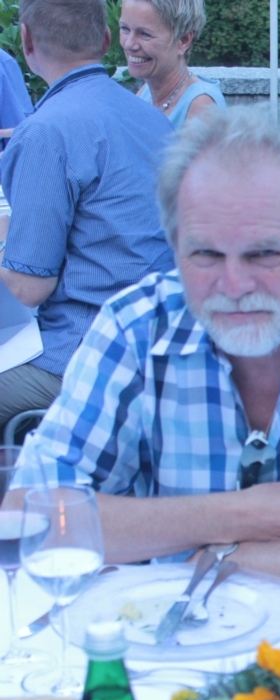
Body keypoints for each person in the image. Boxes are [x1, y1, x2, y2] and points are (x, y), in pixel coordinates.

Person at [8, 106, 280, 604]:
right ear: (175, 248)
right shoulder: (135, 327)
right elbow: (30, 518)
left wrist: (208, 557)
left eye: (265, 254)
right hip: (178, 632)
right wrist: (238, 514)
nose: (235, 286)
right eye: (206, 255)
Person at [0, 0, 174, 435]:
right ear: (106, 38)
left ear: (26, 40)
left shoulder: (45, 131)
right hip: (162, 345)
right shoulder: (153, 120)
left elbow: (29, 287)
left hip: (87, 352)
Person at [120, 0, 226, 127]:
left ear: (183, 41)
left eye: (145, 34)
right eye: (125, 29)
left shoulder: (201, 107)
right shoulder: (146, 92)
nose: (129, 44)